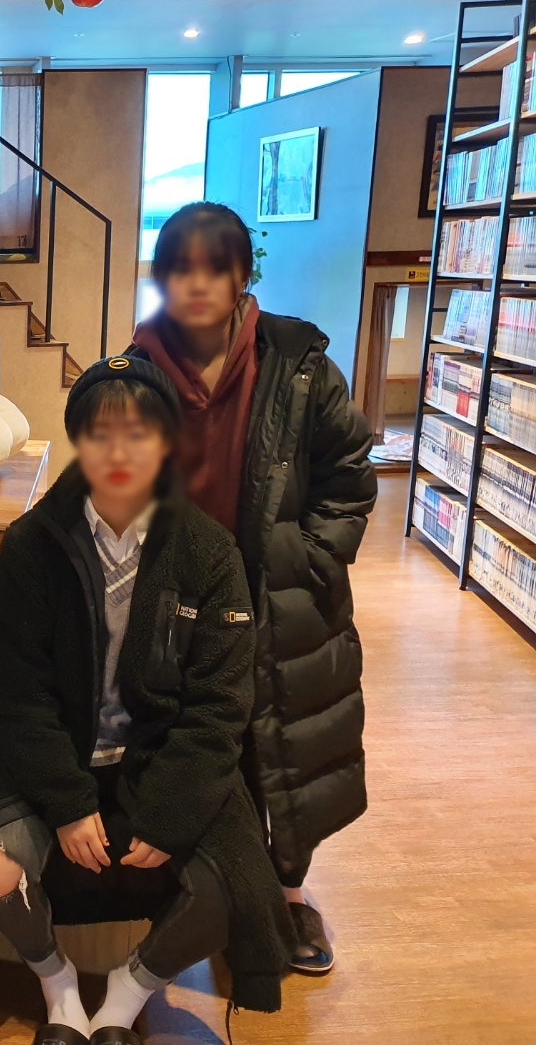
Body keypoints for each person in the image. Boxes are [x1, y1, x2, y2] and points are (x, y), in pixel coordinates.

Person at [0, 358, 293, 1045]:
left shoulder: (208, 551)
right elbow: (19, 695)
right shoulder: (31, 545)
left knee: (239, 884)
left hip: (159, 757)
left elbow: (220, 707)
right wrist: (66, 800)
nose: (118, 454)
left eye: (138, 435)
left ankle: (127, 992)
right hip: (56, 756)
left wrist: (172, 809)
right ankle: (57, 985)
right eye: (100, 434)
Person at [129, 202, 376, 973]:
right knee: (207, 745)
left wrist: (308, 559)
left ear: (242, 274)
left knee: (286, 748)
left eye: (216, 266)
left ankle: (290, 897)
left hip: (280, 593)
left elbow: (349, 479)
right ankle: (221, 889)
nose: (198, 284)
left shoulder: (300, 367)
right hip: (183, 602)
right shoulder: (136, 368)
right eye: (181, 268)